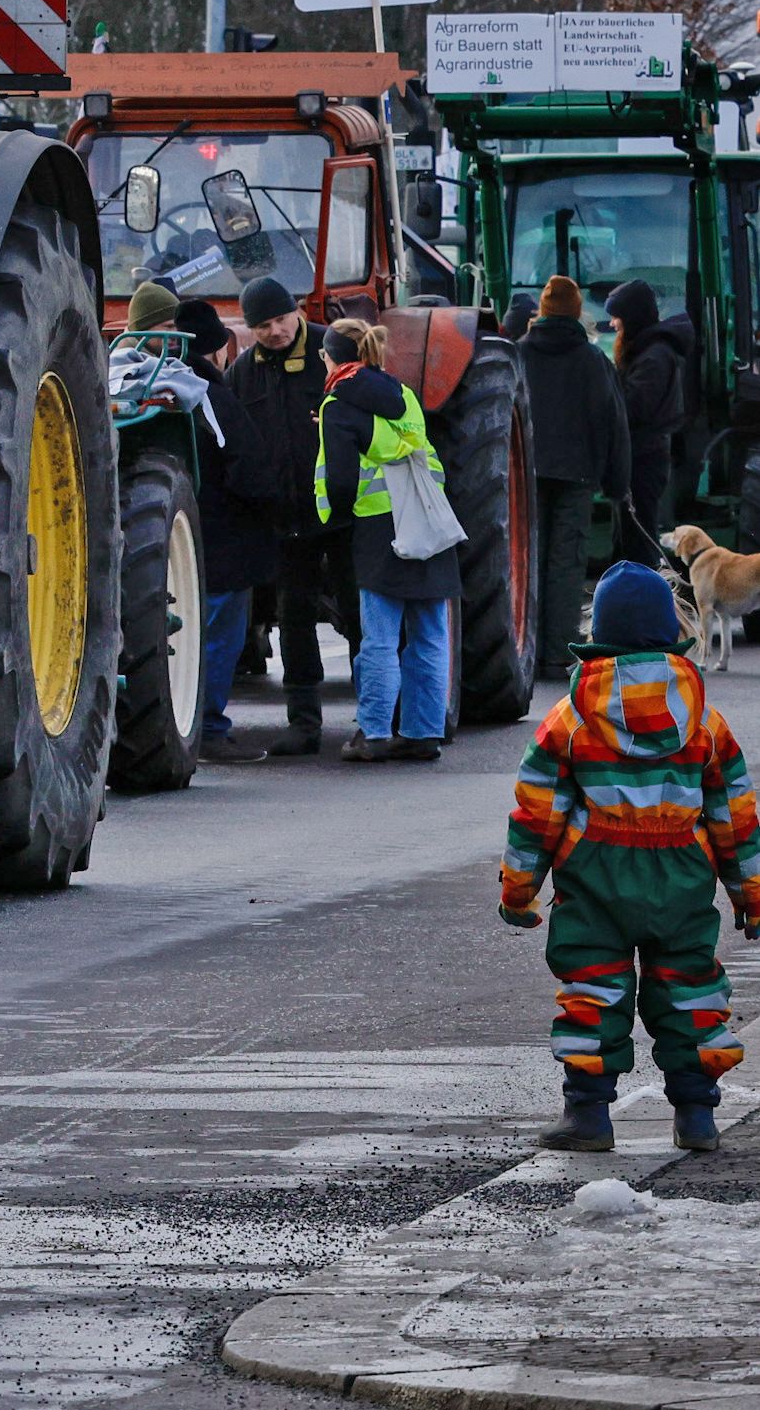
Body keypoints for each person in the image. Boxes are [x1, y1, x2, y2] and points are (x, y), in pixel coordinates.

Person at [503, 559, 760, 1154]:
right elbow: (735, 818)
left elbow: (536, 813)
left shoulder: (568, 720)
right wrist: (751, 898)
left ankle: (589, 1115)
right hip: (681, 876)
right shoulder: (704, 722)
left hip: (594, 875)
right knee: (688, 986)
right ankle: (696, 1115)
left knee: (594, 987)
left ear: (598, 637)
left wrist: (519, 890)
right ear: (675, 631)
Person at [318, 316, 455, 762]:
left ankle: (374, 731)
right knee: (430, 634)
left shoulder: (337, 404)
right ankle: (423, 732)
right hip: (428, 521)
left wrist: (333, 520)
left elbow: (339, 480)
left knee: (378, 637)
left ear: (330, 358)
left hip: (379, 530)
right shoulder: (405, 395)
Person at [222, 276, 345, 757]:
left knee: (359, 614)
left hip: (340, 513)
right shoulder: (243, 372)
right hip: (285, 518)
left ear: (297, 311)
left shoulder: (329, 351)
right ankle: (304, 723)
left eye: (279, 320)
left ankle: (380, 717)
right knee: (294, 616)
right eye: (262, 325)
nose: (274, 332)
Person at [170, 298, 271, 768]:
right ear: (218, 350)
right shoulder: (210, 393)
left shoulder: (158, 387)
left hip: (175, 543)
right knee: (217, 635)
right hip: (224, 542)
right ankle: (209, 726)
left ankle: (180, 719)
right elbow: (247, 465)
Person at [522, 274, 633, 592]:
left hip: (527, 481)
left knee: (531, 563)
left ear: (542, 311)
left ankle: (528, 642)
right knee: (566, 566)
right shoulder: (594, 360)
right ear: (576, 312)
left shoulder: (517, 356)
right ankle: (560, 643)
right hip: (577, 479)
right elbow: (614, 426)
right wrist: (617, 485)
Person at [613, 279, 693, 551]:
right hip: (640, 455)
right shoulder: (649, 352)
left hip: (644, 457)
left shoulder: (654, 357)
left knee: (639, 535)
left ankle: (642, 589)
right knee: (632, 532)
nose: (612, 324)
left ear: (632, 319)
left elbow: (634, 408)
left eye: (617, 317)